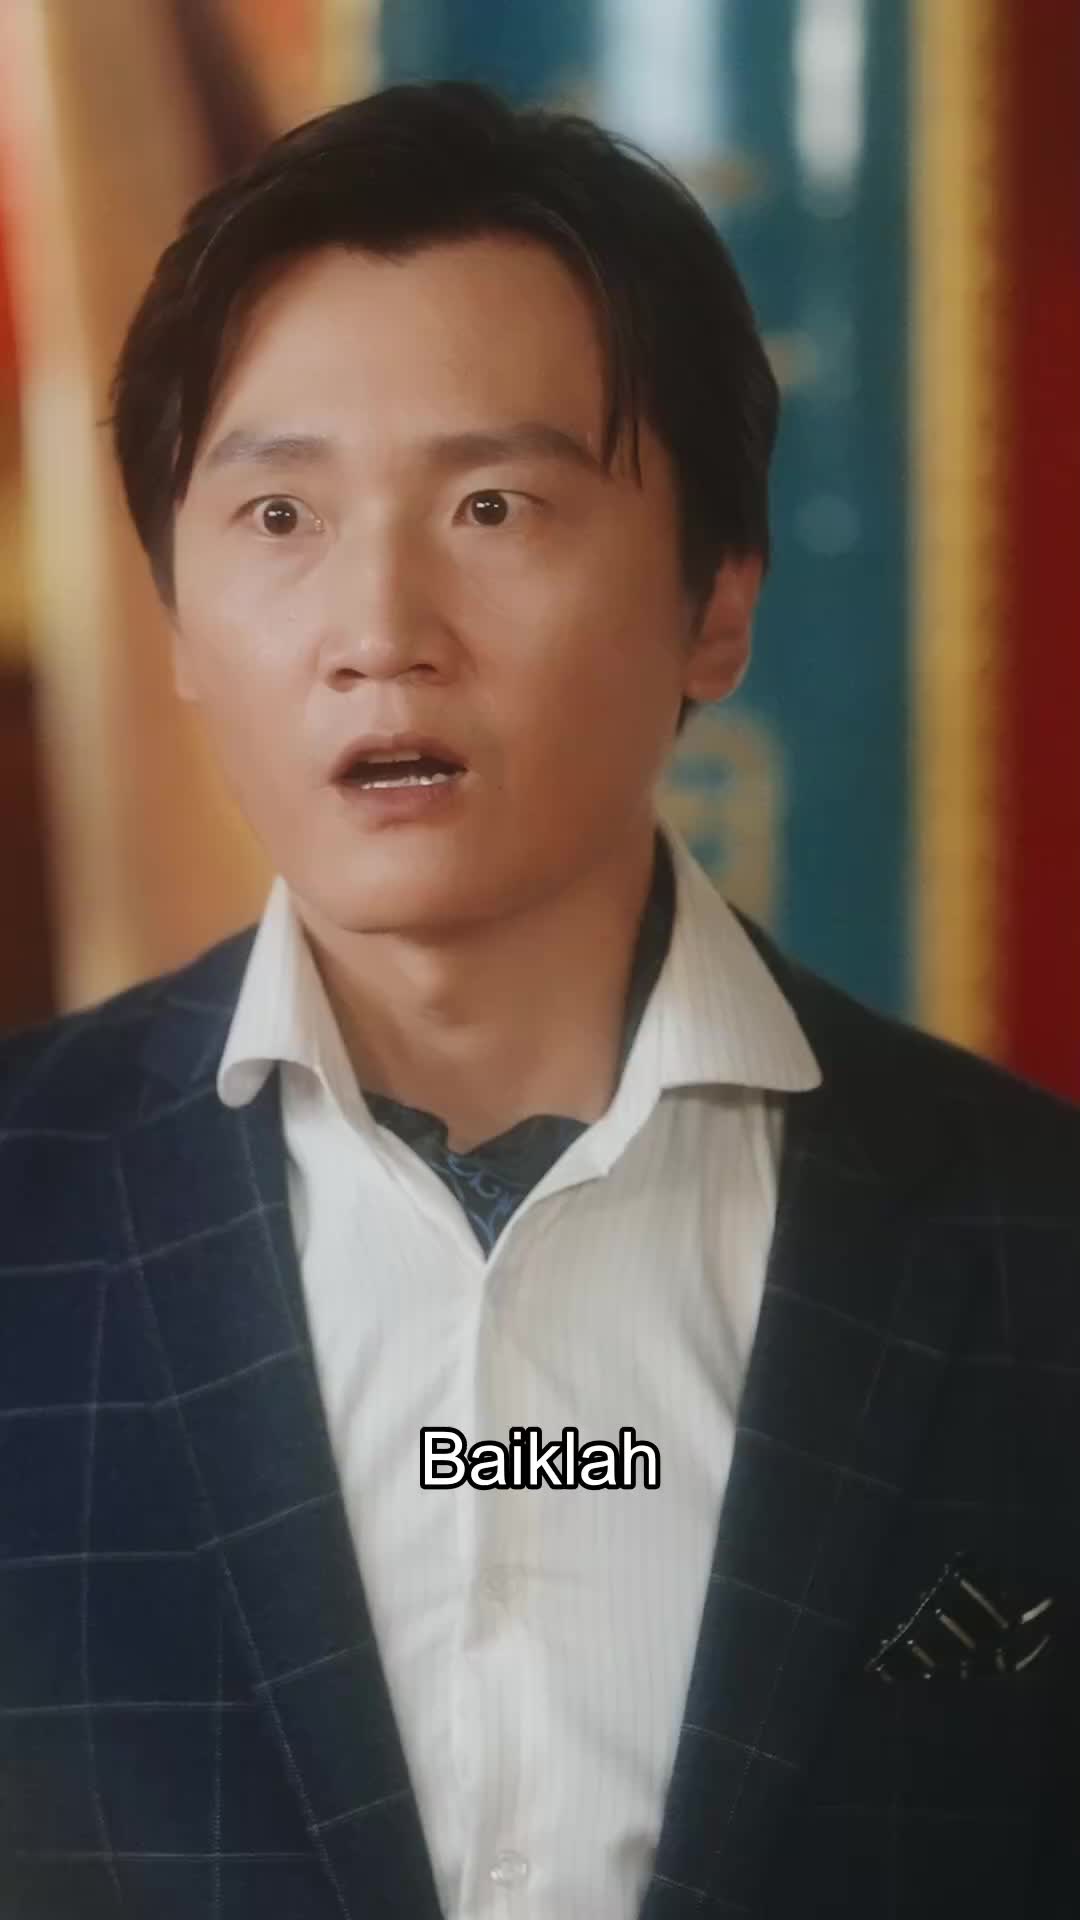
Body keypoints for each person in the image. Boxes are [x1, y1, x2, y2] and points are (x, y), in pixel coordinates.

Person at [1, 80, 1077, 1920]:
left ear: (716, 600)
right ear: (174, 615)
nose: (380, 630)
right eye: (279, 513)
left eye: (492, 504)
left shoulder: (1032, 1245)